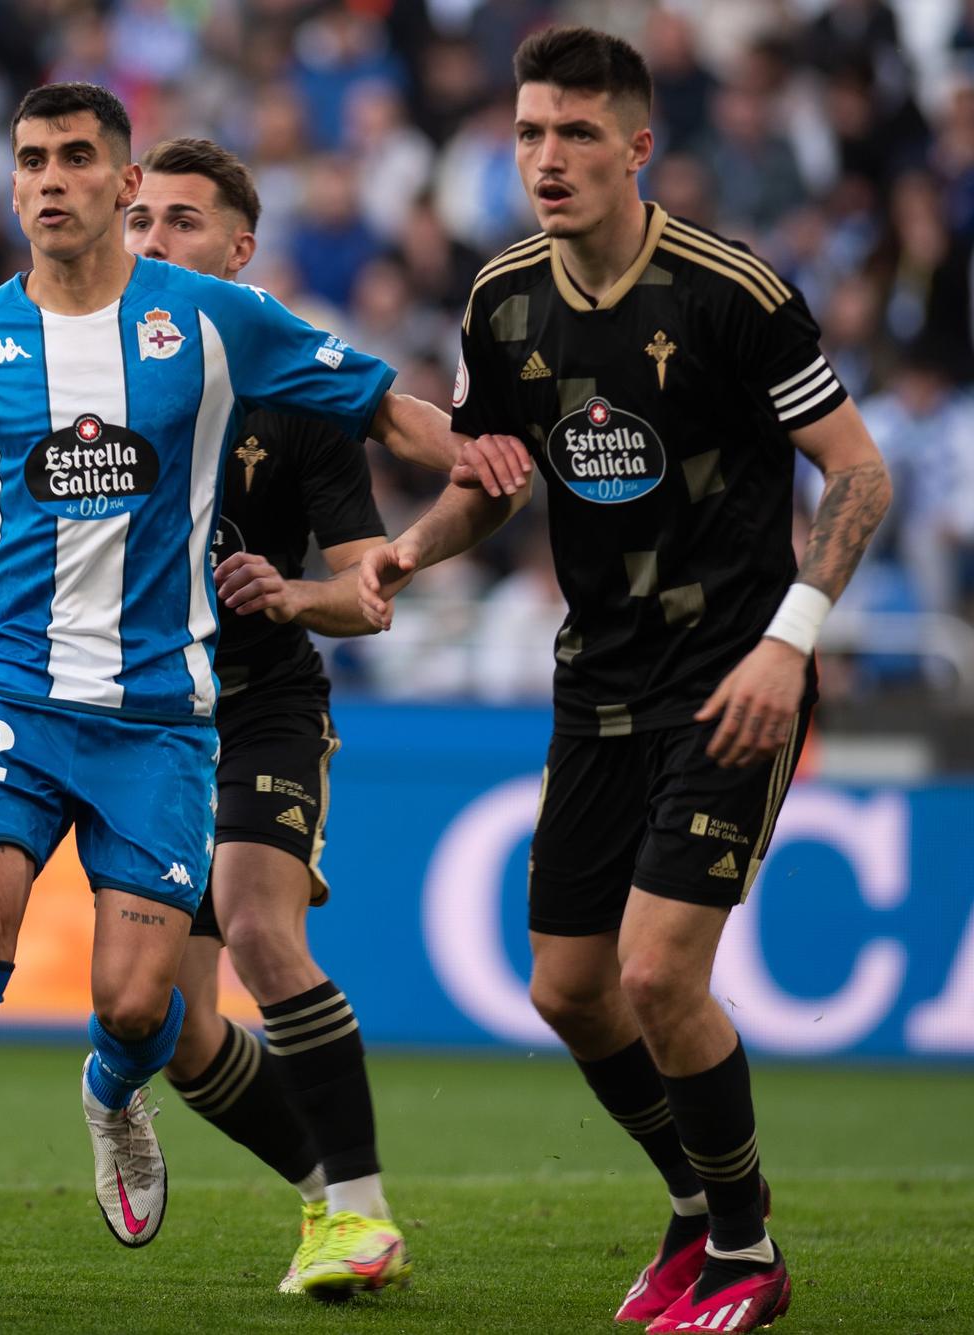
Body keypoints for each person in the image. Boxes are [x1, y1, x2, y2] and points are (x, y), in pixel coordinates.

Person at [0, 82, 499, 1324]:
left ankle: (115, 1088)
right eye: (28, 161)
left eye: (73, 160)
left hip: (170, 711)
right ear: (10, 185)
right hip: (11, 688)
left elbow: (377, 400)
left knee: (136, 1004)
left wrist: (474, 453)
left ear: (114, 185)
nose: (48, 180)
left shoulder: (215, 324)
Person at [358, 27, 891, 1332]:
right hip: (595, 679)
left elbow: (863, 473)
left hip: (734, 677)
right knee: (568, 988)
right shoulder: (503, 301)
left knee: (659, 973)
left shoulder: (731, 291)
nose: (546, 157)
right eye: (531, 132)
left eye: (577, 133)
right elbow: (496, 477)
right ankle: (696, 1207)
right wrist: (414, 547)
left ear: (638, 146)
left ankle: (750, 1248)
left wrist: (793, 635)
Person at [125, 137, 408, 1301]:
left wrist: (294, 593)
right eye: (140, 218)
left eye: (182, 222)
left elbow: (365, 590)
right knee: (173, 1030)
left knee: (252, 924)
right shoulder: (82, 375)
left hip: (260, 709)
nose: (153, 242)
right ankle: (325, 1200)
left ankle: (360, 1211)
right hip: (139, 727)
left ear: (239, 252)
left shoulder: (295, 393)